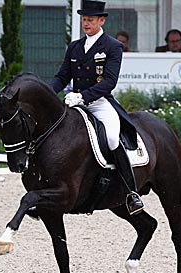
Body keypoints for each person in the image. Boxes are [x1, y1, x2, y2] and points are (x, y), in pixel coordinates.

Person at [50, 0, 144, 215]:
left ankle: (131, 192)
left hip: (99, 103)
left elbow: (109, 82)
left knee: (111, 138)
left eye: (90, 20)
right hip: (75, 103)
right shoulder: (74, 46)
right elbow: (62, 76)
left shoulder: (112, 46)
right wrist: (47, 94)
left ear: (101, 20)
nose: (86, 23)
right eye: (84, 19)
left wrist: (82, 96)